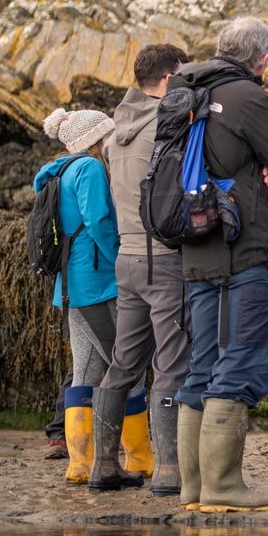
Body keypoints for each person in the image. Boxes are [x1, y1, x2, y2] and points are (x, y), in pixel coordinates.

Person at [172, 17, 268, 513]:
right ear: (263, 58)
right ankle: (223, 487)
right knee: (241, 362)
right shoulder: (251, 98)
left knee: (201, 366)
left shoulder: (186, 93)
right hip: (247, 249)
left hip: (197, 246)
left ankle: (193, 488)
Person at [89, 44, 191, 494]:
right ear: (168, 79)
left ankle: (103, 466)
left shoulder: (116, 133)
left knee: (123, 365)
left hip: (126, 259)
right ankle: (169, 470)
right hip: (163, 258)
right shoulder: (165, 126)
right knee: (171, 364)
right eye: (183, 77)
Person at [35, 108, 145, 484]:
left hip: (70, 286)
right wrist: (121, 259)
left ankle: (80, 464)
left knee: (85, 372)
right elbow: (98, 220)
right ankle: (139, 457)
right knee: (127, 365)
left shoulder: (57, 171)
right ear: (96, 138)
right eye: (108, 134)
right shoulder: (91, 169)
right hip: (98, 282)